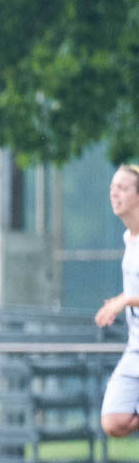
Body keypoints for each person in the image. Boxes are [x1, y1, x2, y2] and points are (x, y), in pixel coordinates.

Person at [93, 165, 139, 442]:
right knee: (114, 420)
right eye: (112, 187)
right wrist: (122, 301)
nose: (114, 192)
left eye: (122, 187)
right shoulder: (128, 238)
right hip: (136, 347)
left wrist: (126, 300)